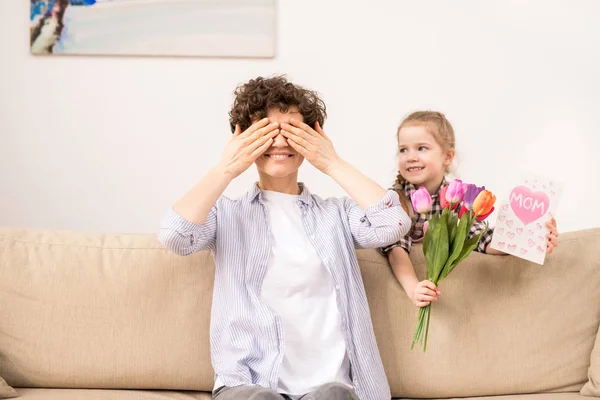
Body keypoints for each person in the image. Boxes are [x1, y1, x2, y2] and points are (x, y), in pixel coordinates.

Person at [158, 75, 411, 400]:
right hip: (249, 385)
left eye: (291, 131)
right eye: (265, 131)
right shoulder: (226, 215)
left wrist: (331, 162)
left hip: (334, 389)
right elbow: (176, 236)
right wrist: (226, 167)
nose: (279, 142)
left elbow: (393, 222)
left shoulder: (337, 215)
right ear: (242, 138)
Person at [382, 111, 560, 308]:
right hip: (410, 293)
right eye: (403, 150)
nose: (410, 157)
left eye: (421, 148)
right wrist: (413, 288)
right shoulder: (395, 199)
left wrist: (531, 237)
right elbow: (395, 249)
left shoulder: (458, 197)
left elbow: (480, 238)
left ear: (447, 156)